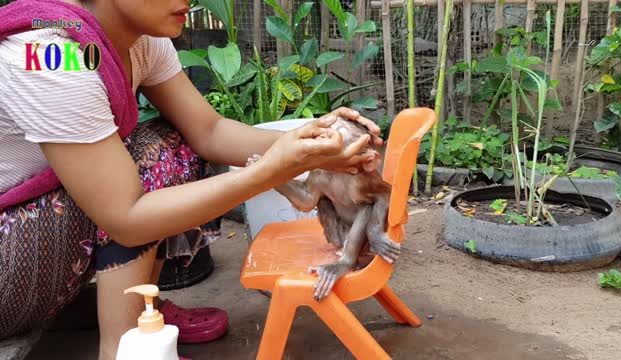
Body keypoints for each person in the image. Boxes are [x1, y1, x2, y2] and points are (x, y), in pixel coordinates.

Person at [0, 0, 383, 359]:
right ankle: (126, 347)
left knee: (170, 142)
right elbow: (126, 218)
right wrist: (271, 171)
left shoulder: (141, 40)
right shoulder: (49, 57)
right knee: (151, 157)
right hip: (7, 267)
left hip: (33, 237)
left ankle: (140, 306)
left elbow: (210, 131)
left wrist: (322, 140)